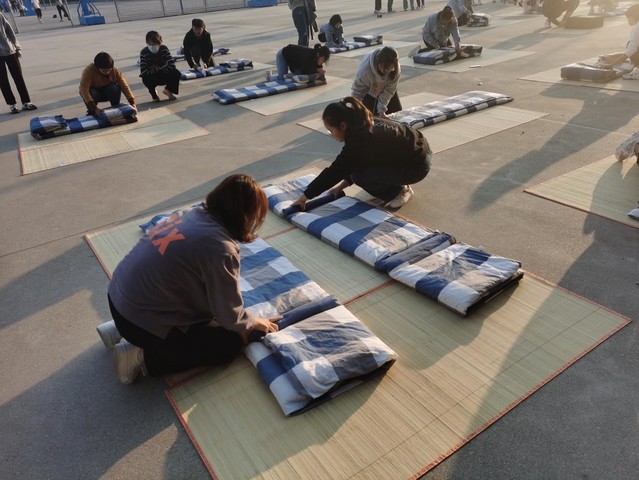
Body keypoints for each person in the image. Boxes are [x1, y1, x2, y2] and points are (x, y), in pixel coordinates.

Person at [102, 174, 280, 384]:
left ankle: (118, 329)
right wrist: (254, 322)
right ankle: (140, 355)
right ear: (244, 216)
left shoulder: (191, 213)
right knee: (229, 343)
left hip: (118, 298)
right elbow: (230, 316)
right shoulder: (220, 247)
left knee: (203, 309)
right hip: (138, 324)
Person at [290, 97, 431, 211]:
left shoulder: (360, 140)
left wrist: (304, 198)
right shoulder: (363, 122)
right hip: (417, 152)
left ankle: (400, 191)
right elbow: (356, 161)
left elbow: (335, 171)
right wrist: (340, 187)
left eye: (331, 131)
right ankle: (395, 181)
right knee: (357, 171)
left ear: (343, 126)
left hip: (416, 167)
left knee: (358, 176)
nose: (331, 135)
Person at [0, 12, 37, 114]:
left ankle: (26, 102)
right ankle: (12, 104)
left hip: (10, 50)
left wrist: (17, 47)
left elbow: (9, 31)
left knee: (18, 77)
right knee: (3, 81)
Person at [79, 52, 136, 117]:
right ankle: (92, 111)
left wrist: (132, 103)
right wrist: (94, 108)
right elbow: (83, 90)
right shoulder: (88, 71)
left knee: (114, 88)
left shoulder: (114, 71)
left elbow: (125, 87)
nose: (107, 72)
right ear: (97, 68)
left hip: (107, 92)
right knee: (92, 92)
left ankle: (116, 107)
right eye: (104, 71)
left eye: (109, 70)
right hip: (94, 94)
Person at [351, 46, 401, 118]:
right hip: (369, 89)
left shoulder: (395, 69)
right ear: (379, 63)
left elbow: (389, 91)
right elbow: (357, 92)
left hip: (385, 86)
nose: (387, 71)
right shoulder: (365, 72)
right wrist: (355, 109)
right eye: (385, 68)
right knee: (368, 116)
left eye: (390, 68)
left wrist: (382, 110)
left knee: (395, 112)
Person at [139, 30, 181, 101]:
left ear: (159, 42)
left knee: (176, 73)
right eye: (150, 44)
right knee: (145, 78)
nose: (152, 46)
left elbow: (172, 64)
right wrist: (154, 71)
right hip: (152, 76)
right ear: (147, 43)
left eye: (154, 44)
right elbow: (143, 71)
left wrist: (160, 69)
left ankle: (168, 90)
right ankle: (154, 95)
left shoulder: (164, 49)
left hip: (164, 73)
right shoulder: (144, 52)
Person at [622, 4, 639, 79]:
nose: (628, 21)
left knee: (630, 45)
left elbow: (630, 51)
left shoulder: (636, 29)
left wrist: (611, 64)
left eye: (628, 18)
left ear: (633, 17)